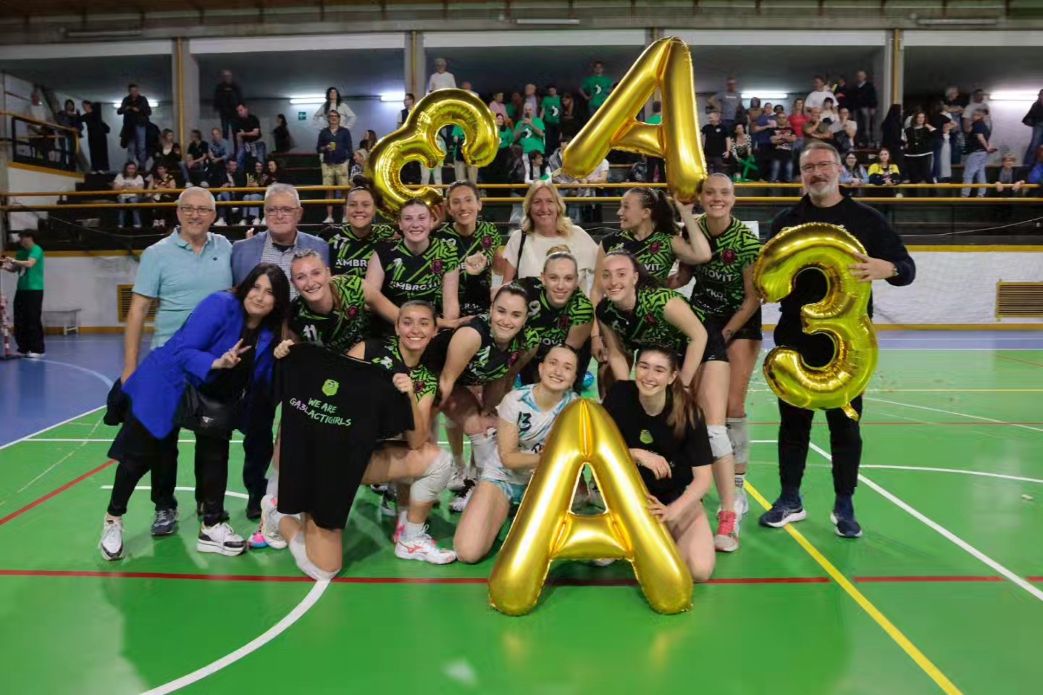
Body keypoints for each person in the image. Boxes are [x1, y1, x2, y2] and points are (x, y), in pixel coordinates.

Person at [759, 141, 915, 538]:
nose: (817, 172)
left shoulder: (866, 219)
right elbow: (769, 277)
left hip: (848, 344)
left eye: (824, 164)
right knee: (793, 425)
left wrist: (886, 267)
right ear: (801, 174)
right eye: (809, 167)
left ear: (840, 169)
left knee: (845, 426)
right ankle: (789, 499)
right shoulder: (786, 220)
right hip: (795, 335)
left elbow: (907, 268)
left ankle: (844, 503)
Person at [98, 264, 290, 561]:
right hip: (167, 382)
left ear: (277, 301)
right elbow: (184, 350)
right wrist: (217, 362)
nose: (260, 296)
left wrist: (280, 359)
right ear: (245, 286)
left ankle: (212, 525)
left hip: (214, 392)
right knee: (138, 456)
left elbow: (260, 379)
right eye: (256, 287)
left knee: (216, 452)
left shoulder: (269, 333)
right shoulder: (220, 304)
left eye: (269, 292)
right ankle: (113, 520)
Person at [671, 174, 763, 552]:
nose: (717, 198)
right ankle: (692, 476)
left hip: (738, 323)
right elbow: (684, 275)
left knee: (731, 406)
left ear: (733, 198)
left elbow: (753, 298)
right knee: (693, 403)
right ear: (701, 197)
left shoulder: (747, 241)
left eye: (724, 193)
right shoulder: (691, 229)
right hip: (702, 321)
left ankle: (737, 490)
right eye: (710, 192)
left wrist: (725, 333)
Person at [231, 183, 329, 516]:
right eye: (272, 209)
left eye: (286, 209)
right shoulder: (242, 249)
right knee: (257, 425)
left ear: (299, 213)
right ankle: (256, 492)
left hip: (305, 346)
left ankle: (305, 488)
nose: (279, 215)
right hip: (259, 348)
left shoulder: (320, 247)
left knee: (309, 419)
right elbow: (236, 297)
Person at [344, 301, 456, 564]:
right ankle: (275, 510)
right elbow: (332, 387)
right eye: (407, 322)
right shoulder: (368, 350)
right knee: (321, 556)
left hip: (366, 459)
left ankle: (410, 537)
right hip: (337, 450)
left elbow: (416, 441)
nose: (415, 329)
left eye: (424, 323)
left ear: (434, 331)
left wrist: (410, 397)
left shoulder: (426, 379)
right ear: (396, 327)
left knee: (439, 460)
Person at [453, 345, 581, 563]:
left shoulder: (577, 407)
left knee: (537, 551)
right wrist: (551, 459)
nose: (558, 371)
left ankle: (521, 512)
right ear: (541, 368)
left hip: (543, 481)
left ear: (574, 378)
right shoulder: (516, 400)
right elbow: (509, 458)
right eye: (553, 363)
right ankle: (488, 502)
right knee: (468, 552)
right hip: (504, 477)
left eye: (567, 367)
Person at [602, 347, 717, 581]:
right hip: (627, 496)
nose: (649, 376)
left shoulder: (689, 412)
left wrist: (672, 511)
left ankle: (656, 532)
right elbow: (596, 447)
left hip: (672, 497)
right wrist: (635, 453)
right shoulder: (619, 394)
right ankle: (637, 532)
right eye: (643, 366)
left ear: (672, 377)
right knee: (599, 558)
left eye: (659, 370)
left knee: (699, 571)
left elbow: (704, 479)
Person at [435, 284, 540, 511]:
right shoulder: (471, 335)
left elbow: (505, 375)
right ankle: (469, 481)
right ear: (491, 310)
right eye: (501, 311)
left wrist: (491, 410)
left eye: (516, 315)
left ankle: (478, 483)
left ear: (525, 319)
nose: (506, 320)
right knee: (476, 425)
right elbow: (445, 382)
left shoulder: (529, 341)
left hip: (469, 378)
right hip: (436, 378)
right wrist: (421, 421)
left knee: (489, 425)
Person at [596, 251, 707, 392]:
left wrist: (683, 385)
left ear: (635, 278)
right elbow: (616, 353)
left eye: (621, 274)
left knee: (697, 401)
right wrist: (624, 389)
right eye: (606, 275)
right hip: (658, 350)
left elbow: (699, 337)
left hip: (698, 344)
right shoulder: (605, 311)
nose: (613, 282)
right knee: (609, 375)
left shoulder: (661, 302)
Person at [366, 198, 462, 329]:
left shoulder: (447, 251)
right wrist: (408, 323)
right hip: (391, 328)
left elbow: (450, 305)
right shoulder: (384, 251)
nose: (415, 224)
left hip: (432, 328)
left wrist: (444, 326)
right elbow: (370, 301)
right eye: (408, 219)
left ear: (431, 221)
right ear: (400, 224)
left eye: (422, 218)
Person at [501, 181, 598, 295]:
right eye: (537, 202)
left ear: (558, 206)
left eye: (549, 201)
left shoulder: (578, 235)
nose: (544, 208)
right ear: (529, 208)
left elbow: (606, 271)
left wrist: (594, 300)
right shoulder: (518, 239)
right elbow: (505, 289)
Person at [516, 252, 594, 393]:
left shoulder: (582, 308)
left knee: (563, 393)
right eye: (553, 278)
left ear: (576, 281)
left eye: (568, 278)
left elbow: (567, 357)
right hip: (530, 350)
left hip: (566, 351)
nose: (560, 286)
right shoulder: (524, 291)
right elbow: (498, 299)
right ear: (543, 278)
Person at [329, 176, 398, 277]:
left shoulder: (387, 234)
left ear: (374, 209)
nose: (359, 210)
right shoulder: (330, 236)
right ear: (345, 208)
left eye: (365, 205)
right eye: (352, 205)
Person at [1, 231, 46, 357]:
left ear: (30, 238)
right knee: (20, 319)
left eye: (22, 238)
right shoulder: (20, 252)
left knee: (32, 319)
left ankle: (37, 349)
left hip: (34, 290)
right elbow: (14, 269)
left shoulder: (36, 249)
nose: (20, 240)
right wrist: (4, 266)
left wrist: (13, 260)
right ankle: (24, 347)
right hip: (21, 289)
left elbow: (30, 263)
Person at [317, 110, 353, 224]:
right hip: (328, 164)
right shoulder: (323, 132)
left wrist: (346, 161)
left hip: (341, 164)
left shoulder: (345, 131)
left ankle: (345, 216)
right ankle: (329, 216)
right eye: (331, 116)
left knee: (344, 191)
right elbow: (318, 148)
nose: (333, 118)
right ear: (328, 119)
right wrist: (325, 148)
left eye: (335, 116)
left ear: (339, 118)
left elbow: (350, 148)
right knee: (329, 191)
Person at [962, 108, 997, 198]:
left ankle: (965, 194)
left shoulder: (977, 124)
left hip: (976, 152)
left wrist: (987, 148)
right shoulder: (985, 126)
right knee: (980, 173)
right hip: (983, 153)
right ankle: (981, 193)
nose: (972, 117)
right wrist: (987, 148)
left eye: (974, 115)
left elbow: (980, 137)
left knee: (968, 173)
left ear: (978, 116)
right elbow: (986, 139)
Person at [117, 83, 151, 170]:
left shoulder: (142, 99)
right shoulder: (126, 100)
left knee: (141, 147)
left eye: (136, 91)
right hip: (130, 126)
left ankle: (142, 166)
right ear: (129, 91)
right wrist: (127, 108)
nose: (134, 92)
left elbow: (148, 111)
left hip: (140, 124)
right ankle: (129, 166)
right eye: (132, 91)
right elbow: (119, 111)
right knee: (131, 147)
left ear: (138, 91)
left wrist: (138, 110)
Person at [112, 161, 145, 228]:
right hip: (122, 195)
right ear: (126, 169)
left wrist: (130, 187)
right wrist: (123, 186)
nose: (131, 170)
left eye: (133, 168)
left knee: (133, 202)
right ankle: (120, 225)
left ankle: (137, 225)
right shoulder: (120, 176)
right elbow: (115, 188)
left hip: (135, 196)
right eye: (129, 168)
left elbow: (140, 189)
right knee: (122, 203)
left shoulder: (139, 177)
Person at [80, 101, 110, 173]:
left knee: (99, 152)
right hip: (94, 136)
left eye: (84, 106)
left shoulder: (93, 115)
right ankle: (96, 168)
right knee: (94, 152)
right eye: (83, 106)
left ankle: (100, 168)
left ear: (89, 105)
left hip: (99, 136)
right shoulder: (89, 115)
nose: (84, 108)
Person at [213, 70, 243, 141]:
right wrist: (216, 107)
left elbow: (240, 97)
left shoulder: (235, 86)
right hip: (224, 112)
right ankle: (225, 147)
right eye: (225, 76)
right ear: (223, 77)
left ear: (231, 76)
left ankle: (236, 147)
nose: (227, 77)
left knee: (235, 131)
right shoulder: (220, 87)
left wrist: (241, 108)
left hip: (234, 112)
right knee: (225, 131)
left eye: (228, 76)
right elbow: (217, 98)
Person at [233, 103, 265, 170]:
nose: (239, 112)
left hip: (257, 142)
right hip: (246, 144)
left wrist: (244, 134)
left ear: (246, 109)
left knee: (260, 160)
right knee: (239, 157)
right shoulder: (237, 122)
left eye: (241, 110)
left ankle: (261, 175)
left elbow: (256, 133)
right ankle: (240, 174)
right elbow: (238, 136)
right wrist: (239, 147)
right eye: (238, 111)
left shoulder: (253, 118)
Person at [1022, 89, 1043, 168]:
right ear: (1039, 96)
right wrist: (1032, 123)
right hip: (1039, 125)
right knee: (1034, 144)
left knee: (1038, 145)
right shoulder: (1036, 105)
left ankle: (1037, 163)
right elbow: (1029, 116)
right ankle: (1028, 163)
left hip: (1038, 124)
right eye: (1041, 96)